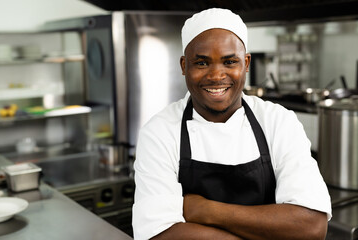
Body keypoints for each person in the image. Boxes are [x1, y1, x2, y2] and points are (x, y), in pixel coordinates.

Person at [132, 8, 331, 240]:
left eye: (229, 62)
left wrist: (205, 210)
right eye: (202, 63)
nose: (217, 75)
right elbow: (159, 234)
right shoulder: (160, 132)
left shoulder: (278, 122)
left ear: (246, 63)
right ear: (184, 66)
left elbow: (311, 227)